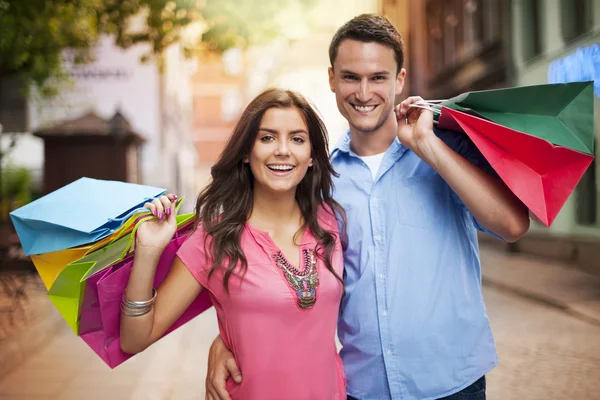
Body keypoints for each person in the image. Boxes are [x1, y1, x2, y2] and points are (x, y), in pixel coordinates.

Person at [205, 14, 531, 400]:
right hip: (363, 388)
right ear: (331, 79)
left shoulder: (444, 147)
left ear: (399, 80)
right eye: (350, 77)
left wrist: (428, 148)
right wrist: (226, 338)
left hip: (452, 384)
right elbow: (281, 266)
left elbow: (512, 225)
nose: (363, 92)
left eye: (377, 77)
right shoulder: (317, 178)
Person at [119, 88, 347, 400]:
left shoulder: (331, 223)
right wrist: (147, 250)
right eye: (267, 138)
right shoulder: (216, 237)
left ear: (311, 156)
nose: (283, 150)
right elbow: (135, 339)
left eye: (297, 138)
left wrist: (225, 340)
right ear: (245, 152)